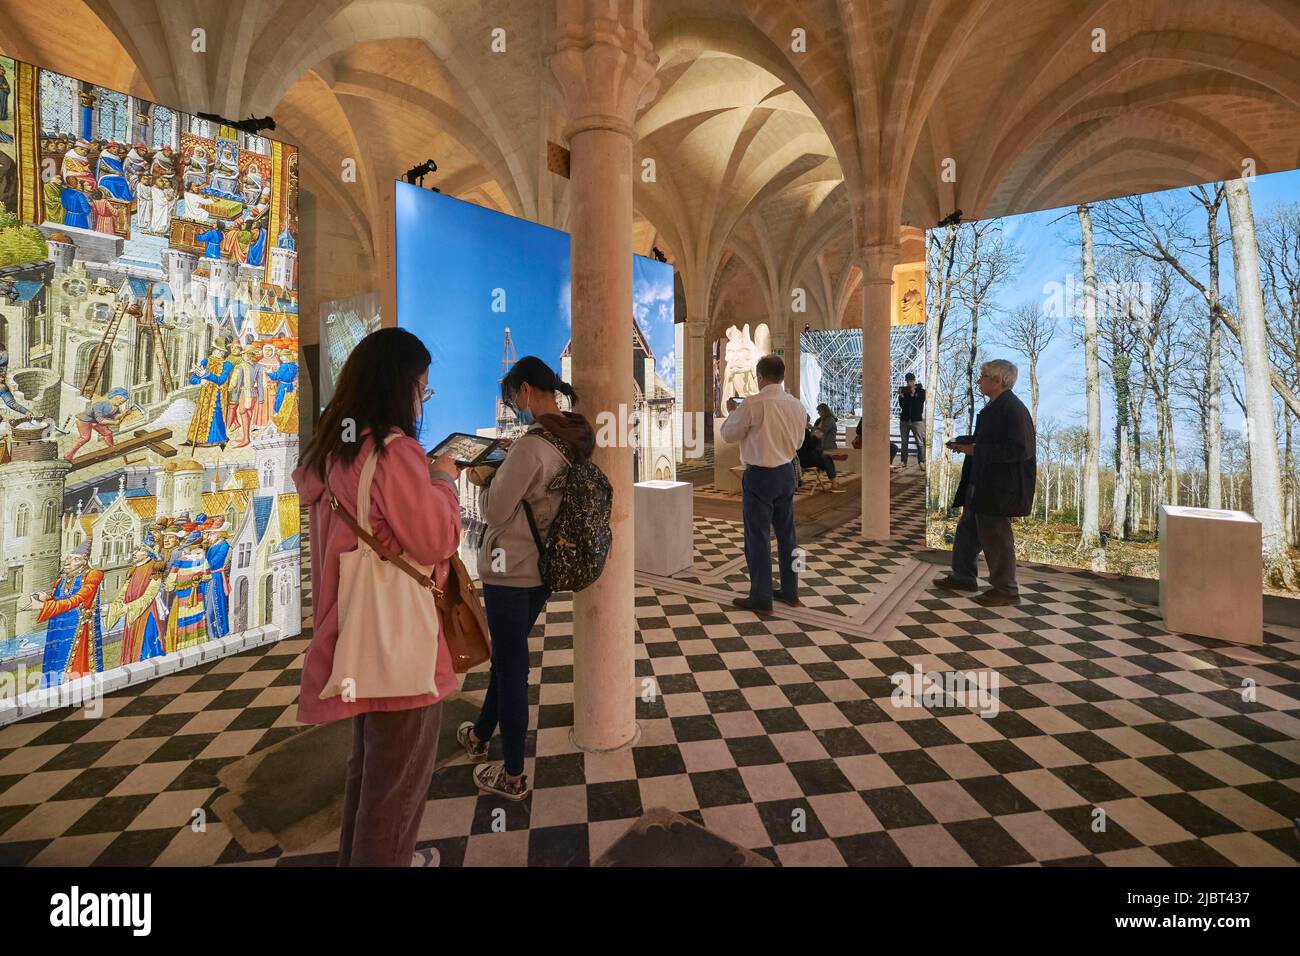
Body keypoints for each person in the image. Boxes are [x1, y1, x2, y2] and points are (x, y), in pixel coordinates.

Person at [294, 327, 462, 868]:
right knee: (399, 783)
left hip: (354, 632)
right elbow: (435, 538)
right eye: (422, 388)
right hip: (399, 640)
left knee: (369, 772)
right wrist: (443, 481)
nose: (422, 400)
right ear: (400, 385)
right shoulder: (394, 452)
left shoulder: (333, 452)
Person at [456, 356, 595, 802]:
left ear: (524, 392)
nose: (512, 404)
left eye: (512, 396)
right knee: (507, 659)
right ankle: (480, 736)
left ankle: (514, 774)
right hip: (544, 568)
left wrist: (482, 479)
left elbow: (497, 510)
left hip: (509, 571)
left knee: (513, 668)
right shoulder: (573, 434)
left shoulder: (532, 445)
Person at [934, 359, 1036, 607]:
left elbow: (1021, 449)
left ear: (999, 380)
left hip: (998, 487)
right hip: (982, 482)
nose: (979, 381)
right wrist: (965, 443)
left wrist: (975, 449)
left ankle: (1007, 590)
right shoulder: (996, 407)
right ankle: (964, 577)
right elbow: (988, 441)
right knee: (968, 531)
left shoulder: (1011, 408)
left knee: (997, 538)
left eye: (983, 376)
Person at [719, 353, 806, 611]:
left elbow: (728, 434)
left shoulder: (753, 404)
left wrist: (735, 413)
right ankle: (791, 590)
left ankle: (761, 595)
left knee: (757, 537)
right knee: (788, 536)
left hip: (760, 476)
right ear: (782, 376)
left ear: (759, 377)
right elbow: (799, 442)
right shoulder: (796, 406)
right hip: (787, 473)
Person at [64, 386, 130, 462]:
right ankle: (69, 454)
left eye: (123, 401)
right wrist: (114, 422)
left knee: (108, 433)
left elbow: (115, 416)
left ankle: (112, 448)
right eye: (119, 398)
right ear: (113, 396)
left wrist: (124, 414)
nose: (121, 401)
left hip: (94, 421)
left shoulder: (116, 408)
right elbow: (100, 420)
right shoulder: (100, 405)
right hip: (85, 420)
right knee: (85, 438)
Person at [797, 415, 844, 492]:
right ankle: (834, 485)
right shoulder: (805, 432)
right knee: (827, 460)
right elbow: (813, 447)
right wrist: (817, 438)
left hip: (798, 459)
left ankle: (826, 458)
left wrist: (812, 433)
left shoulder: (798, 431)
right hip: (806, 460)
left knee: (824, 458)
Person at [897, 372, 926, 468]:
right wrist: (901, 396)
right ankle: (903, 461)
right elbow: (903, 406)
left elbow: (918, 405)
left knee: (920, 442)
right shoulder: (905, 392)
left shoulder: (921, 391)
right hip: (904, 420)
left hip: (916, 420)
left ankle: (921, 461)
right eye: (908, 381)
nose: (909, 383)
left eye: (911, 381)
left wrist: (913, 394)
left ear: (914, 381)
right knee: (904, 442)